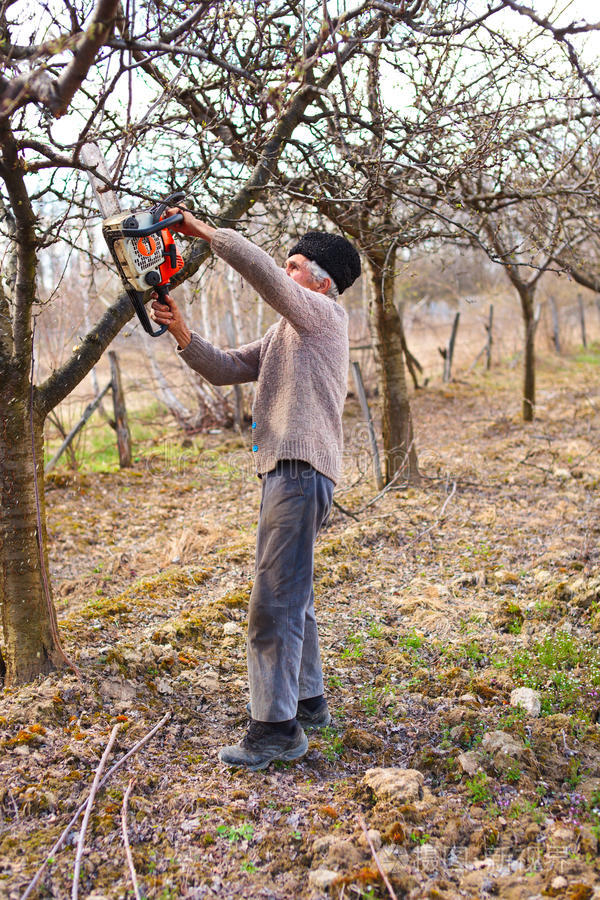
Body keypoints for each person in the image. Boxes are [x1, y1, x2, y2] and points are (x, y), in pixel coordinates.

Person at [151, 211, 361, 770]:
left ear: (320, 281)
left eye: (294, 265)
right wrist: (181, 332)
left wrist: (209, 234)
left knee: (273, 602)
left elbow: (264, 275)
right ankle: (308, 703)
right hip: (289, 472)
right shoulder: (284, 333)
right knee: (295, 595)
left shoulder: (323, 315)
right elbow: (223, 369)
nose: (285, 272)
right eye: (287, 265)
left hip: (298, 470)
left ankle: (274, 731)